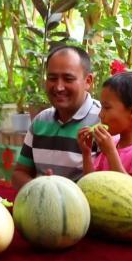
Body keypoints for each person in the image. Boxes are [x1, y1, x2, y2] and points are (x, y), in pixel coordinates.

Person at [12, 45, 101, 189]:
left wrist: (63, 195)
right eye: (52, 78)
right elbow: (19, 173)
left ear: (88, 81)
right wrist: (42, 189)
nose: (59, 87)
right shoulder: (40, 122)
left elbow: (109, 185)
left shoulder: (102, 122)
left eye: (68, 79)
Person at [78, 71, 132, 181]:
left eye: (107, 107)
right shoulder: (113, 143)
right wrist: (86, 153)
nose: (100, 114)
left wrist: (111, 153)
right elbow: (91, 182)